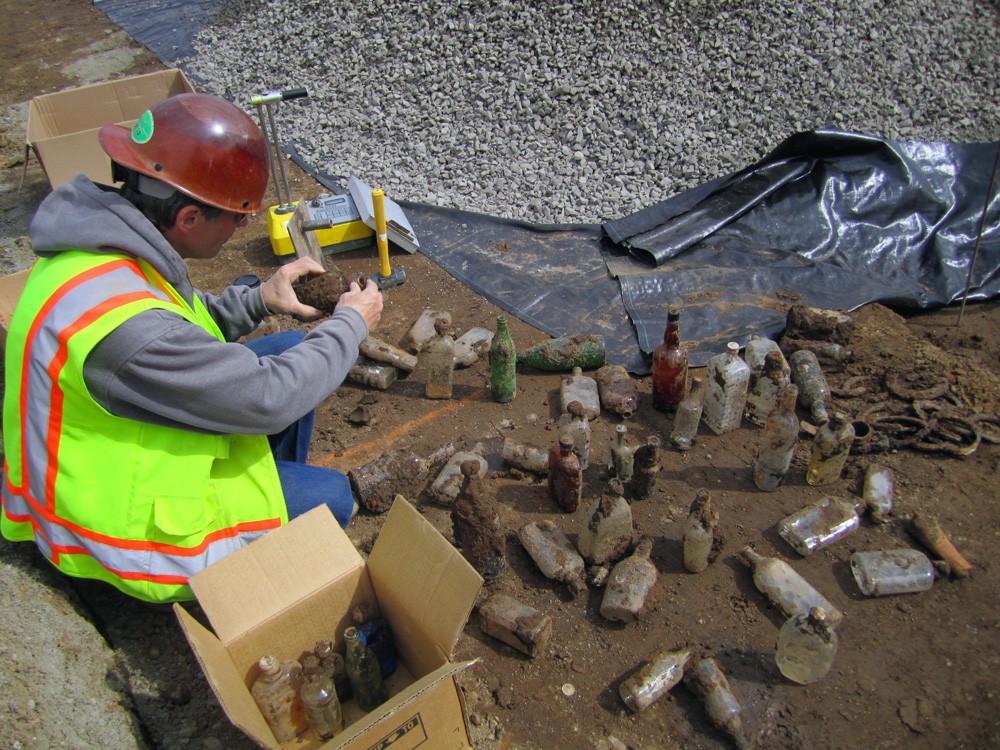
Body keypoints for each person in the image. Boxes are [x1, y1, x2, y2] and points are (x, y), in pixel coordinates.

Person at [1, 93, 383, 603]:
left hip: (113, 447)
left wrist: (259, 299)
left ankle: (271, 483)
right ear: (187, 219)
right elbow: (269, 398)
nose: (243, 226)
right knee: (328, 499)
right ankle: (260, 567)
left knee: (292, 345)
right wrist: (351, 324)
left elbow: (179, 319)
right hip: (112, 530)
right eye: (237, 217)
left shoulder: (99, 250)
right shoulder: (133, 333)